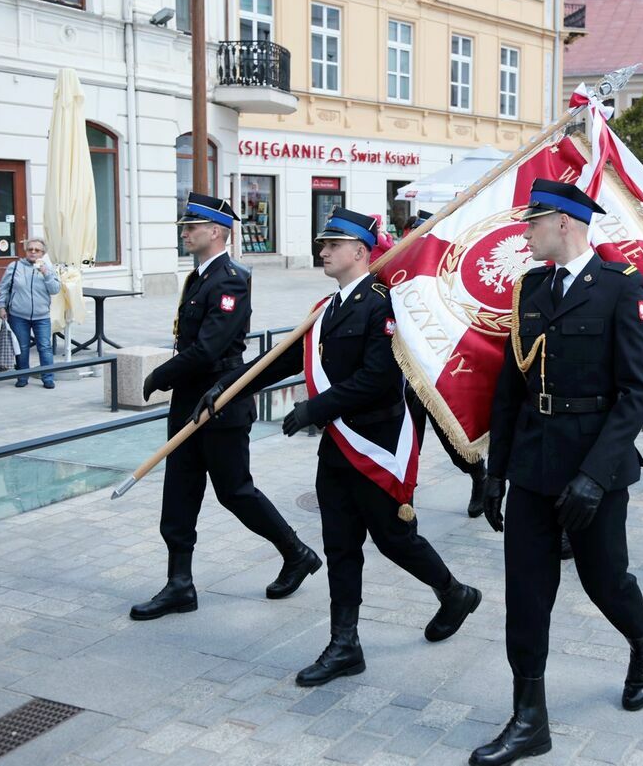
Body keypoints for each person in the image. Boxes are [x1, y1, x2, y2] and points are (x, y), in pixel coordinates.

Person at [198, 206, 481, 687]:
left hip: (375, 444)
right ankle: (344, 644)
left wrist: (313, 409)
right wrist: (228, 387)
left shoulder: (383, 304)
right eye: (322, 244)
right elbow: (283, 358)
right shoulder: (326, 309)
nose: (323, 250)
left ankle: (454, 593)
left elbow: (379, 378)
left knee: (394, 539)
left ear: (359, 251)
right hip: (337, 447)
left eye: (332, 244)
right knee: (340, 544)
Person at [474, 180, 643, 765]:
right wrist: (495, 470)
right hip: (533, 460)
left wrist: (595, 476)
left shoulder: (619, 288)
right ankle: (530, 720)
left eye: (533, 222)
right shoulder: (530, 287)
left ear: (566, 223)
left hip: (593, 463)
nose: (524, 233)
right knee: (527, 595)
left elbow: (638, 393)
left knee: (605, 580)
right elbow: (511, 387)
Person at [130, 194, 322, 622]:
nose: (185, 232)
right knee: (179, 489)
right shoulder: (198, 277)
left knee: (234, 491)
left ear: (215, 231)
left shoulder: (230, 280)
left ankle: (297, 552)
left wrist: (161, 373)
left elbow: (209, 347)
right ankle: (179, 584)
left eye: (191, 227)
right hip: (188, 400)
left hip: (221, 398)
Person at [403, 210, 490, 518]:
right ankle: (403, 509)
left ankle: (479, 475)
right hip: (403, 381)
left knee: (456, 449)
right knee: (404, 450)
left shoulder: (450, 278)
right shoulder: (397, 273)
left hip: (440, 375)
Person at [0, 237, 61, 389]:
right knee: (22, 347)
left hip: (42, 316)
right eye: (30, 249)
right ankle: (22, 376)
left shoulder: (48, 268)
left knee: (45, 347)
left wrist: (46, 274)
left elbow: (55, 290)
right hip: (18, 315)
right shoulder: (15, 266)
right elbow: (4, 288)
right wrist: (1, 306)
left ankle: (48, 377)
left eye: (37, 250)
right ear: (26, 251)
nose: (33, 252)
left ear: (42, 253)